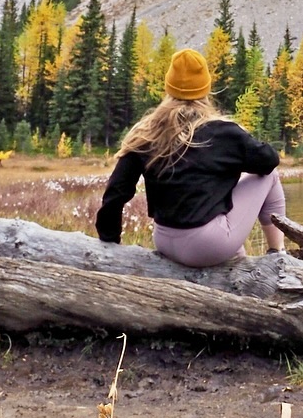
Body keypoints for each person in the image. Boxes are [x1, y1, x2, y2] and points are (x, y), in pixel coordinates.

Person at [95, 47, 288, 266]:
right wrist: (240, 138)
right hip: (206, 246)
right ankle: (277, 254)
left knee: (218, 208)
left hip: (164, 240)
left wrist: (110, 240)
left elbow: (116, 192)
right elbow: (269, 161)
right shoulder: (223, 133)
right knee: (270, 176)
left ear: (168, 87)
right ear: (206, 89)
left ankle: (235, 260)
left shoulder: (146, 133)